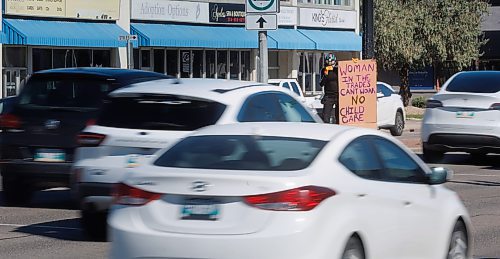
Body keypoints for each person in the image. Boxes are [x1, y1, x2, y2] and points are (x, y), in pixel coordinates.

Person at [320, 53, 340, 124]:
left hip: (339, 95)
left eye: (331, 63)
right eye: (328, 64)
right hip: (329, 96)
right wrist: (325, 75)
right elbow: (321, 84)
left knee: (339, 116)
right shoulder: (324, 70)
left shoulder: (338, 70)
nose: (330, 65)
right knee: (326, 116)